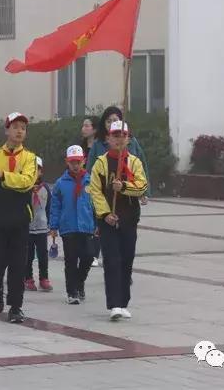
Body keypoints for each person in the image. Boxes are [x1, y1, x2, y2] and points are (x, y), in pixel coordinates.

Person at [0, 112, 38, 324]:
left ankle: (15, 306)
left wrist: (3, 176)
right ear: (6, 130)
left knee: (18, 264)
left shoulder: (29, 158)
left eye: (23, 127)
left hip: (20, 218)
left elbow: (28, 181)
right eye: (15, 126)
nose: (20, 131)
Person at [89, 120, 148, 321]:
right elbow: (95, 192)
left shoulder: (134, 162)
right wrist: (106, 214)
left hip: (129, 218)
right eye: (115, 135)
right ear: (108, 138)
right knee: (112, 260)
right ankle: (113, 303)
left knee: (127, 260)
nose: (119, 139)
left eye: (123, 135)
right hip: (108, 221)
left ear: (128, 139)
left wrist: (123, 187)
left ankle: (124, 302)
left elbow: (141, 186)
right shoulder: (100, 163)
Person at [86, 107, 150, 267]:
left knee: (127, 241)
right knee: (105, 232)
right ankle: (100, 257)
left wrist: (142, 191)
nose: (113, 124)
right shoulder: (98, 145)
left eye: (116, 120)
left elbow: (141, 168)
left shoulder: (132, 144)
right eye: (109, 121)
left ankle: (124, 269)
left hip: (128, 202)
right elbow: (90, 172)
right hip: (106, 198)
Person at [49, 145, 95, 305]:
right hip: (68, 226)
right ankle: (72, 291)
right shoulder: (61, 183)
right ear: (67, 162)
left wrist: (98, 222)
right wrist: (53, 226)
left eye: (78, 161)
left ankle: (79, 281)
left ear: (84, 161)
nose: (75, 165)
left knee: (88, 256)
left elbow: (95, 203)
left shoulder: (90, 181)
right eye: (72, 162)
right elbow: (55, 206)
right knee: (70, 259)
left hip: (86, 225)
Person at [25, 157, 52, 292]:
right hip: (28, 228)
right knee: (28, 255)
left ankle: (44, 278)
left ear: (41, 172)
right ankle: (28, 278)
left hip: (42, 227)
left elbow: (50, 208)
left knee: (43, 255)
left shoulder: (45, 188)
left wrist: (51, 224)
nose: (36, 173)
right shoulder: (25, 188)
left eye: (38, 170)